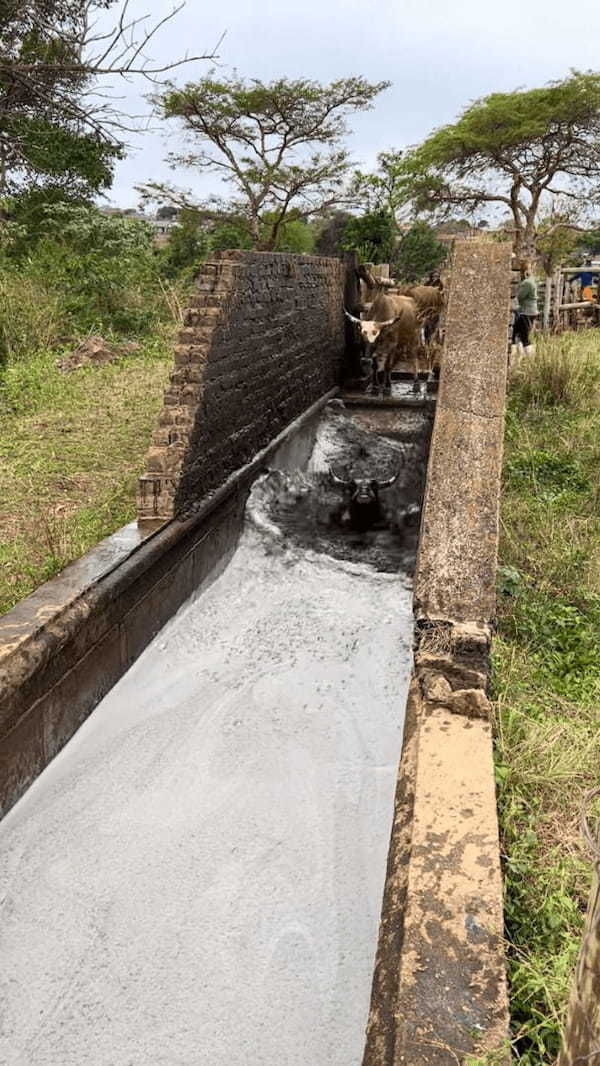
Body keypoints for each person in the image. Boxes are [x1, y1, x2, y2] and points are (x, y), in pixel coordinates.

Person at [512, 261, 538, 357]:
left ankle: (530, 359)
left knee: (524, 337)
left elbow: (520, 296)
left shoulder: (527, 283)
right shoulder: (531, 281)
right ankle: (518, 357)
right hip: (528, 312)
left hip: (527, 312)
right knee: (516, 333)